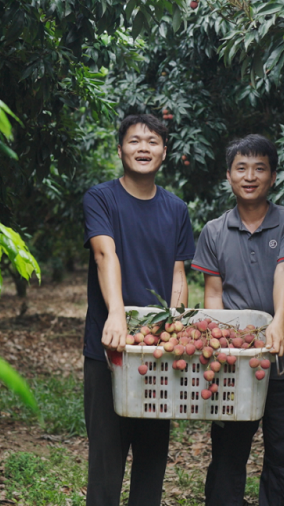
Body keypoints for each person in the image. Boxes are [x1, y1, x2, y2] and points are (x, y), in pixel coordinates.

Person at [191, 134, 284, 506]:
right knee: (228, 454)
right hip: (234, 367)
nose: (250, 176)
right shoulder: (213, 231)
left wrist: (277, 322)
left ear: (273, 176)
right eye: (241, 168)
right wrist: (219, 348)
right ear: (228, 175)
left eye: (260, 168)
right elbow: (214, 293)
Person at [82, 114, 196, 505]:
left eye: (152, 141)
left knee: (152, 457)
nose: (143, 148)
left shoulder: (177, 209)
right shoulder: (101, 198)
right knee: (106, 458)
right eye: (133, 141)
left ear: (164, 152)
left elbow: (178, 275)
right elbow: (104, 253)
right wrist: (117, 313)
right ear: (120, 150)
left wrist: (176, 325)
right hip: (109, 346)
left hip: (156, 351)